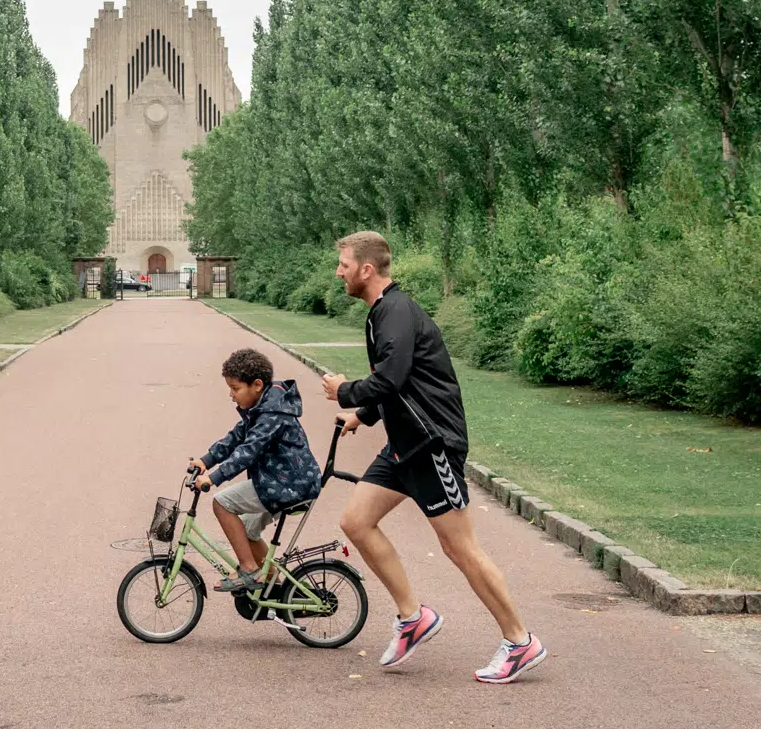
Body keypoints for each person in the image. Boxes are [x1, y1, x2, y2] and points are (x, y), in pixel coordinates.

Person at [322, 231, 547, 684]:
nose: (339, 271)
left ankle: (520, 642)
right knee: (356, 522)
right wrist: (362, 416)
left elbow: (390, 378)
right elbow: (399, 384)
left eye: (344, 264)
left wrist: (344, 392)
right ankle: (413, 618)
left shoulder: (396, 312)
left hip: (431, 445)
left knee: (459, 547)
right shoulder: (382, 313)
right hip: (404, 445)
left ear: (367, 269)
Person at [189, 349, 322, 593]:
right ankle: (276, 590)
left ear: (257, 385)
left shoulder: (272, 415)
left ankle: (249, 569)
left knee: (221, 503)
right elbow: (236, 437)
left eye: (235, 388)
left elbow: (247, 451)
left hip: (288, 485)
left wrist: (214, 478)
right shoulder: (264, 407)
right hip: (283, 481)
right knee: (249, 531)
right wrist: (206, 460)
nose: (231, 395)